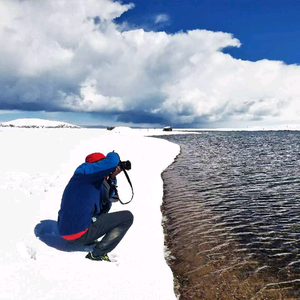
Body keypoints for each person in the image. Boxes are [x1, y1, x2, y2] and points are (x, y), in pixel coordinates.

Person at [57, 151, 134, 261]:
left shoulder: (87, 181)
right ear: (97, 164)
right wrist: (115, 155)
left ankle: (89, 238)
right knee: (127, 217)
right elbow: (112, 161)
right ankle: (98, 253)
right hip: (78, 234)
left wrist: (112, 177)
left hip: (66, 232)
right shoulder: (85, 171)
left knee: (106, 205)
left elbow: (110, 198)